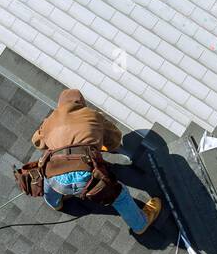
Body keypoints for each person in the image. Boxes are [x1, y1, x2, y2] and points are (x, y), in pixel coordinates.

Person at [30, 89, 162, 234]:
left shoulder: (48, 122)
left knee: (47, 177)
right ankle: (140, 224)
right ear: (81, 102)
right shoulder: (94, 116)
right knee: (120, 195)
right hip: (86, 177)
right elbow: (114, 141)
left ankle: (55, 203)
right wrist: (98, 143)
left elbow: (37, 142)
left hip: (56, 177)